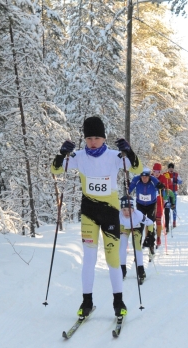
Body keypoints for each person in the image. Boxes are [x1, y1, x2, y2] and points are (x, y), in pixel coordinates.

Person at [50, 116, 141, 318]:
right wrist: (61, 154)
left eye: (97, 137)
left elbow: (137, 168)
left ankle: (119, 302)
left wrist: (130, 151)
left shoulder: (114, 156)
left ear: (104, 137)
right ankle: (87, 301)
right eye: (89, 137)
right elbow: (55, 169)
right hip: (89, 214)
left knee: (113, 259)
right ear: (85, 138)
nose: (93, 141)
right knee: (89, 259)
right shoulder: (79, 156)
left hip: (110, 214)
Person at [128, 167, 162, 255]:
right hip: (140, 206)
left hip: (151, 206)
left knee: (150, 224)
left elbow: (160, 189)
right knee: (140, 226)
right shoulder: (137, 180)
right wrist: (127, 188)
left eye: (146, 177)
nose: (144, 179)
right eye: (142, 177)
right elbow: (129, 190)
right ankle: (137, 248)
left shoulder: (153, 180)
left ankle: (151, 246)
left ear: (149, 176)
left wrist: (161, 187)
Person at [118, 196, 147, 284]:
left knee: (136, 245)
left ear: (133, 209)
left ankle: (140, 270)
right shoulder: (118, 214)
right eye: (124, 210)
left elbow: (149, 222)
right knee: (122, 245)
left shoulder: (138, 214)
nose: (126, 212)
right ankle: (122, 270)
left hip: (136, 227)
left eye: (129, 210)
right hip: (124, 228)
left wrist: (150, 235)